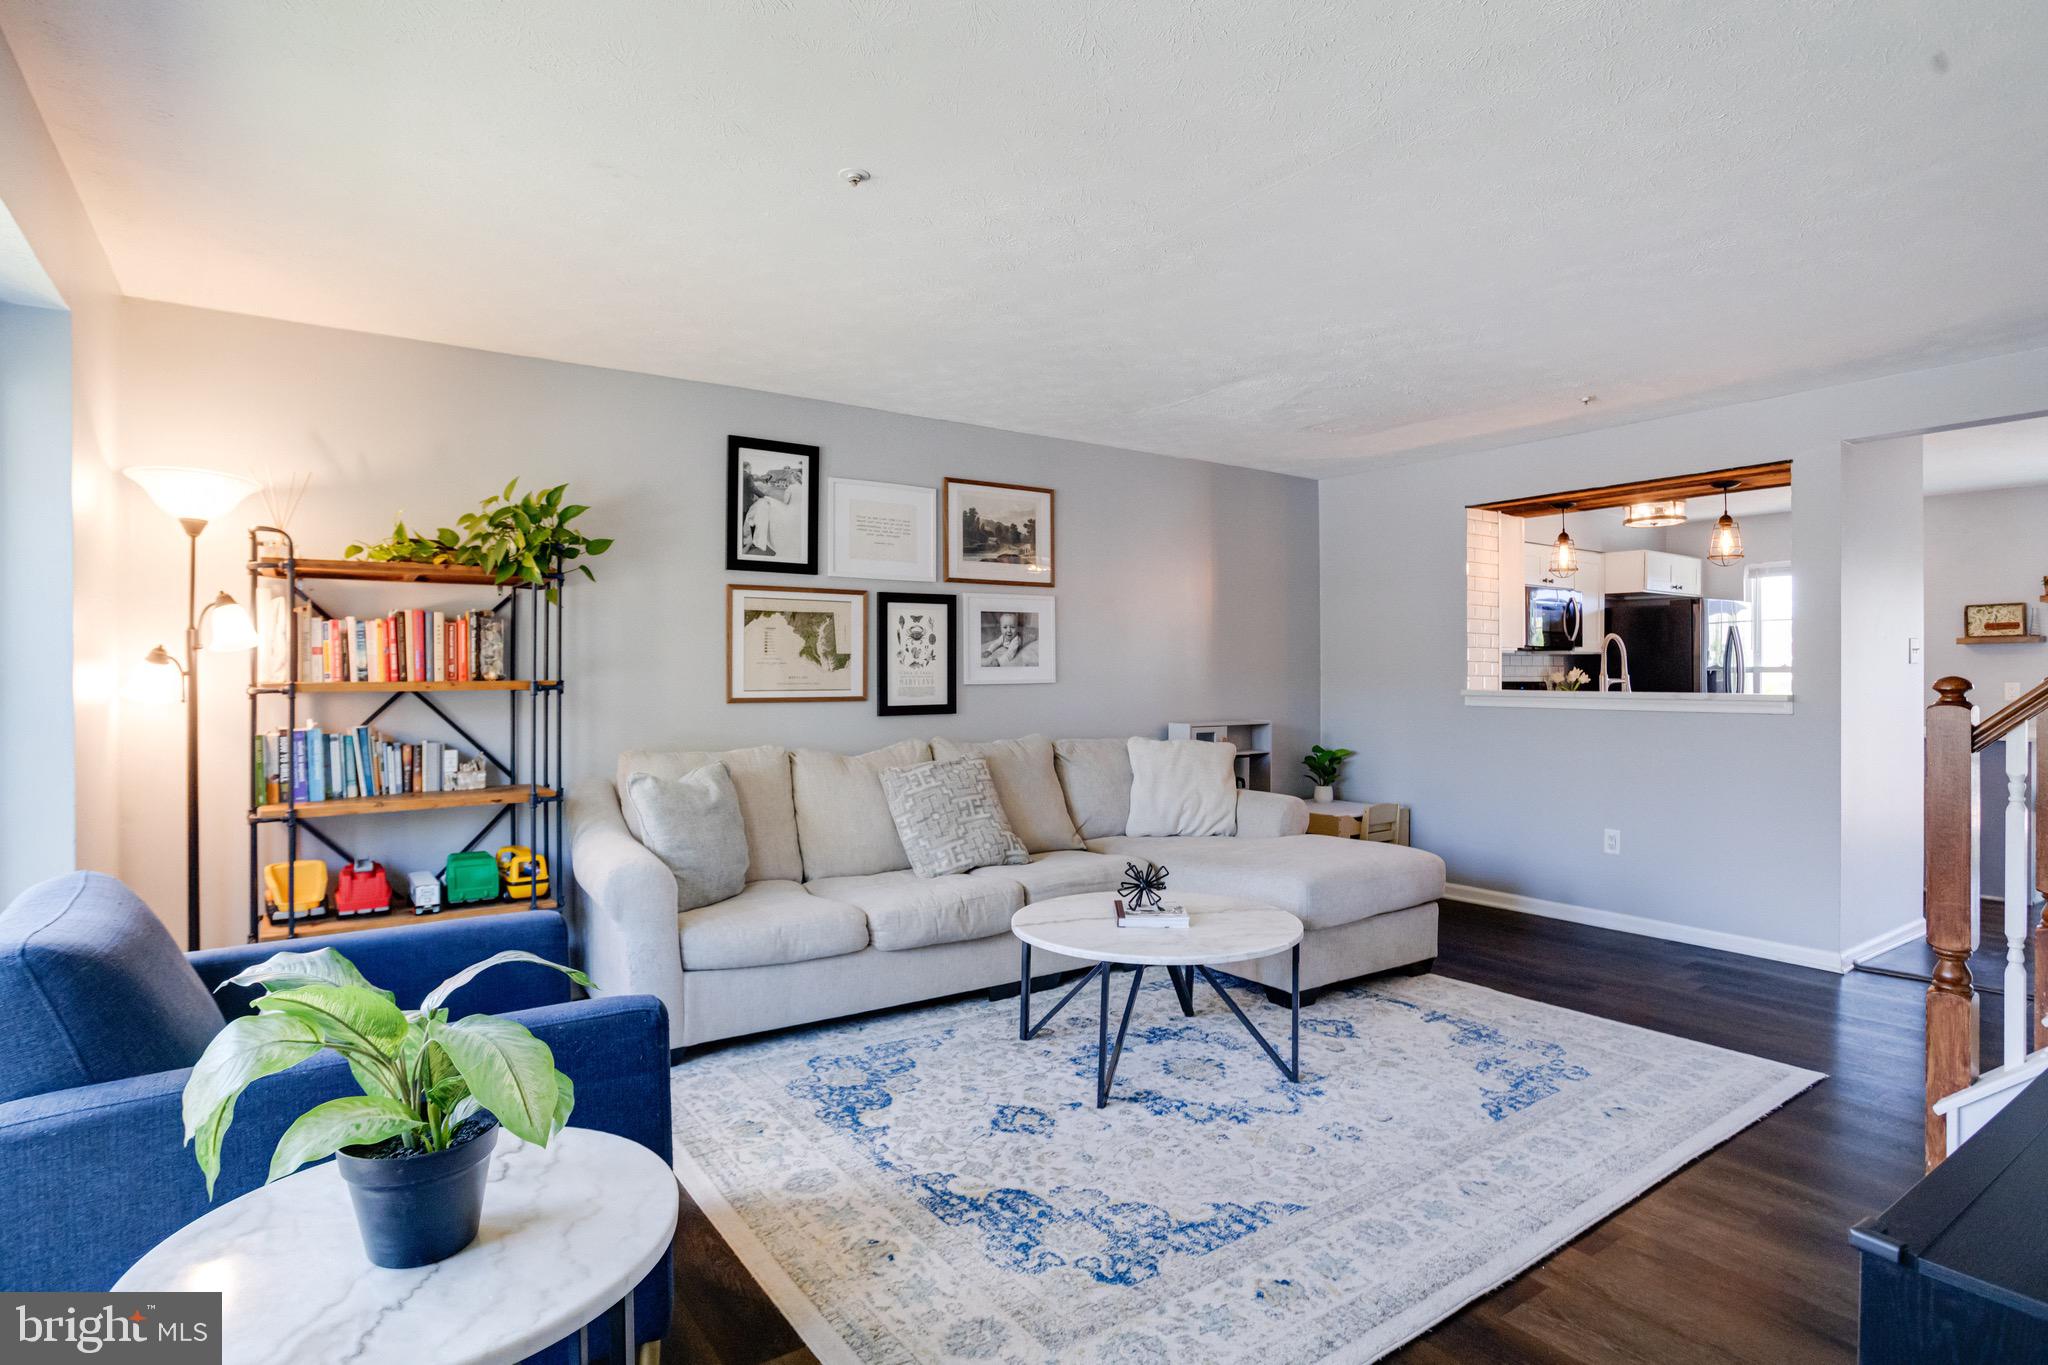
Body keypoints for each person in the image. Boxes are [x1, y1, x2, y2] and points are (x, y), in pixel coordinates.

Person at [742, 468, 805, 558]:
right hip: (799, 513)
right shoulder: (803, 488)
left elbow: (786, 501)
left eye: (790, 478)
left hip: (790, 511)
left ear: (793, 478)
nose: (789, 479)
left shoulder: (791, 488)